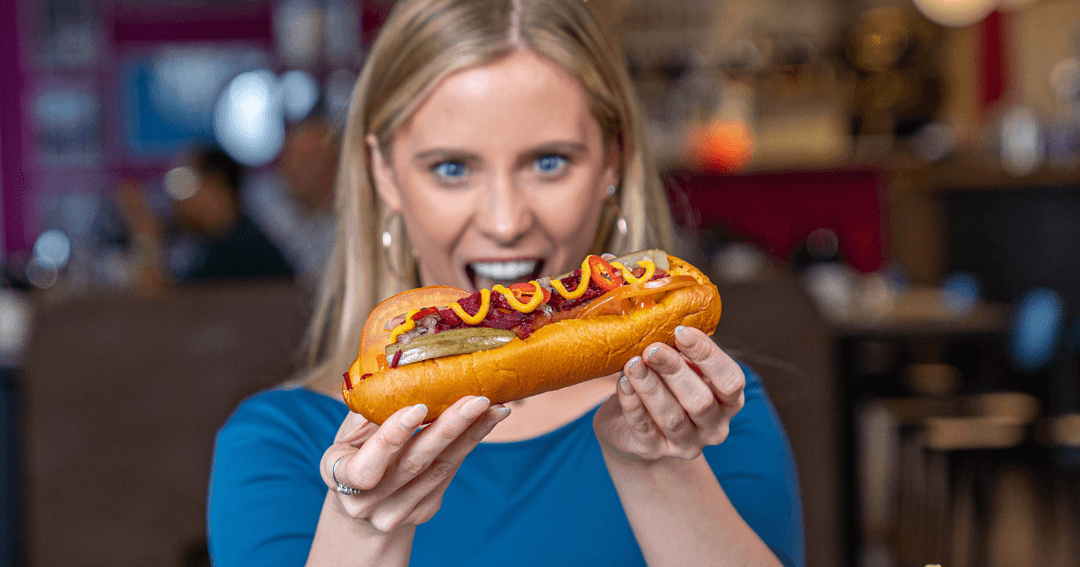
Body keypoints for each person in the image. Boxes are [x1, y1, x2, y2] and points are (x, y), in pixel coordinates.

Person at [207, 0, 804, 565]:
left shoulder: (712, 410)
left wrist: (659, 467)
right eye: (451, 168)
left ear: (612, 163)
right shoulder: (273, 446)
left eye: (549, 162)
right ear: (384, 175)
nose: (505, 222)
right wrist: (362, 531)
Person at [169, 147, 296, 282]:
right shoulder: (209, 243)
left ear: (215, 185)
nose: (178, 200)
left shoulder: (246, 251)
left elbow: (175, 296)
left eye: (186, 185)